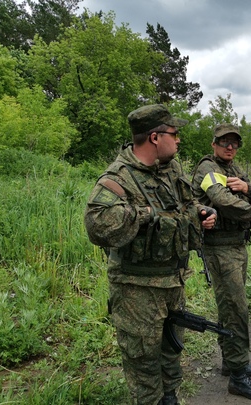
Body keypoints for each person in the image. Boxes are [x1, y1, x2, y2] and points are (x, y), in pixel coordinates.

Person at [84, 104, 217, 405]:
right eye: (174, 133)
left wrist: (200, 213)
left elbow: (185, 204)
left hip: (173, 281)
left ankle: (170, 397)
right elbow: (97, 224)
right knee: (143, 362)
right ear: (155, 137)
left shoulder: (171, 169)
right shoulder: (119, 177)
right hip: (137, 290)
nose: (179, 139)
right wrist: (147, 214)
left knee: (171, 351)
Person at [191, 123, 251, 401]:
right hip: (220, 248)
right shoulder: (207, 168)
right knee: (235, 308)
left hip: (237, 246)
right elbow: (222, 200)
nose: (230, 147)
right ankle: (238, 376)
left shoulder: (234, 170)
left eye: (234, 143)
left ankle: (231, 361)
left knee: (231, 307)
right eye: (224, 142)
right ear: (213, 144)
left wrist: (247, 186)